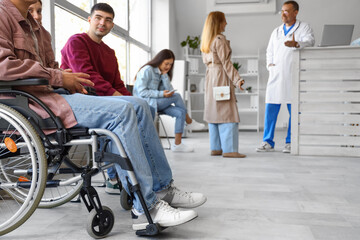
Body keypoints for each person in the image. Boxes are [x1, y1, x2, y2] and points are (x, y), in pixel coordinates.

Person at [0, 0, 206, 231]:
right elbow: (3, 66)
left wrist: (62, 77)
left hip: (53, 95)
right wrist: (58, 77)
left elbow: (55, 69)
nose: (103, 23)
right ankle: (146, 207)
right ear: (90, 19)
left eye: (108, 19)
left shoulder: (38, 29)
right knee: (123, 111)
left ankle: (162, 188)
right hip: (31, 103)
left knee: (138, 105)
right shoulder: (2, 16)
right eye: (99, 17)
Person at [256, 1, 314, 153]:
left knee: (293, 110)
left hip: (293, 74)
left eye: (287, 11)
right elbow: (269, 51)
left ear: (295, 12)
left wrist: (297, 43)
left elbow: (310, 42)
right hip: (276, 75)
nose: (283, 14)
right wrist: (270, 66)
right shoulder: (276, 31)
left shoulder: (304, 27)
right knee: (271, 109)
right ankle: (267, 141)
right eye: (282, 11)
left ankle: (290, 142)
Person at [133, 49, 206, 152]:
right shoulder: (147, 70)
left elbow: (169, 90)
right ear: (159, 60)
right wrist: (161, 94)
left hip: (157, 103)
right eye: (166, 63)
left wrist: (164, 76)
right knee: (177, 96)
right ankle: (189, 121)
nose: (168, 66)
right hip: (147, 103)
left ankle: (177, 145)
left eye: (171, 64)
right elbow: (142, 92)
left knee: (180, 112)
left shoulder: (162, 73)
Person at [200, 11, 246, 158]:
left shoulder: (207, 41)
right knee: (227, 110)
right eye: (224, 21)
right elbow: (226, 63)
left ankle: (216, 147)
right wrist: (237, 79)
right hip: (220, 76)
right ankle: (230, 150)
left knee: (214, 111)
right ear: (218, 23)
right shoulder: (219, 40)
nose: (226, 23)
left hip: (210, 77)